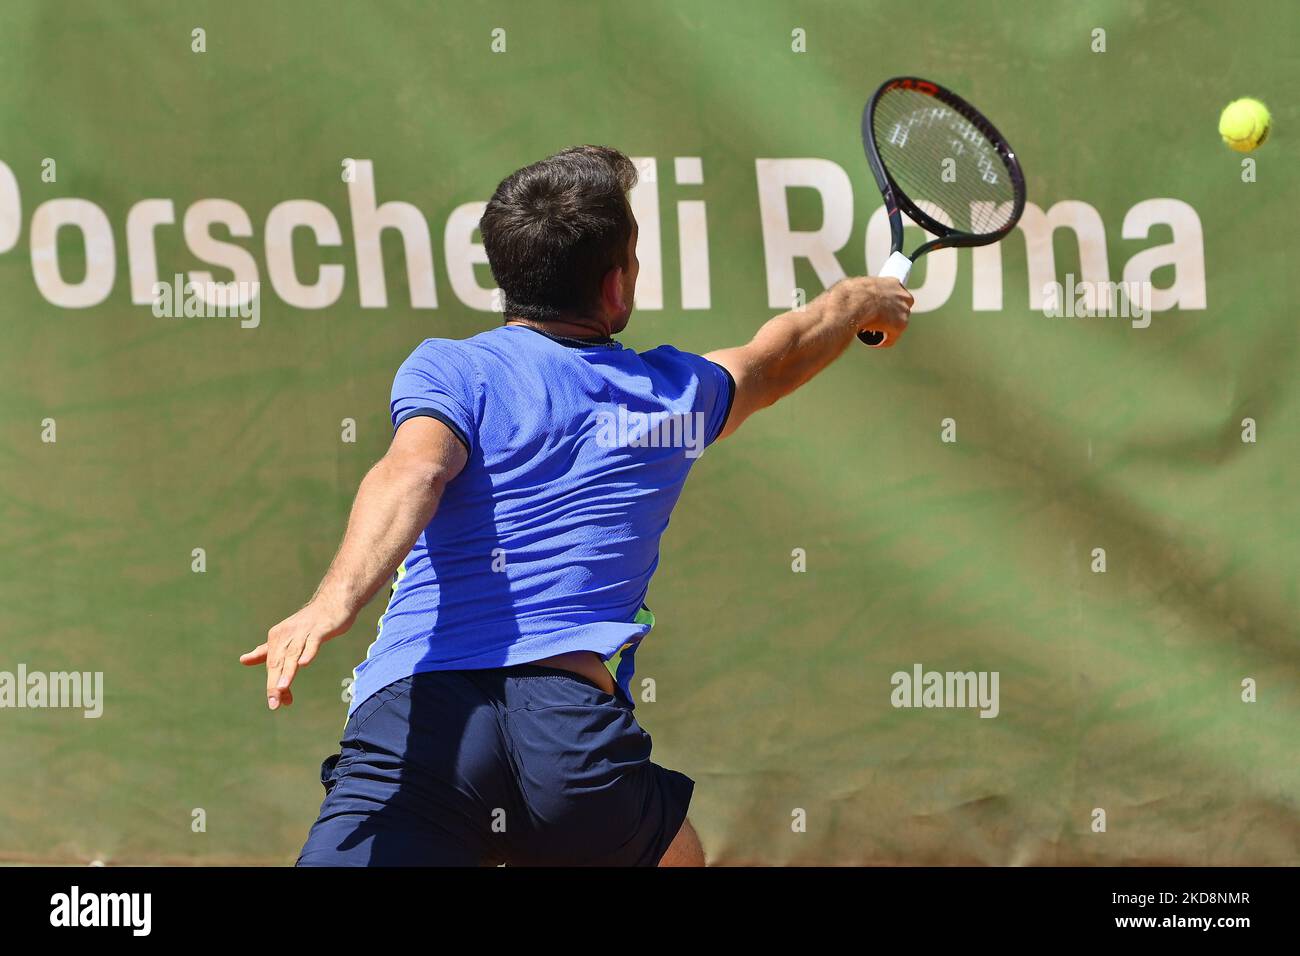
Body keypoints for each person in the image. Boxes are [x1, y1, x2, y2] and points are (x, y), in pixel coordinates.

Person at [240, 145, 912, 866]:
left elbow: (415, 471)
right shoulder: (671, 397)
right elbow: (778, 356)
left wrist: (332, 602)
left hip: (417, 720)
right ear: (617, 285)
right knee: (677, 855)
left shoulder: (450, 368)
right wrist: (859, 302)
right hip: (569, 743)